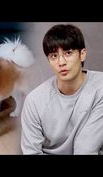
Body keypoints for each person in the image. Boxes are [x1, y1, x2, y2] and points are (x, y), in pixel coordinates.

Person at [21, 24, 103, 155]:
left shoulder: (100, 88)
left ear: (82, 54)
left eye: (68, 53)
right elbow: (31, 152)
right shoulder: (34, 101)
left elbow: (85, 149)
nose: (61, 62)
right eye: (54, 56)